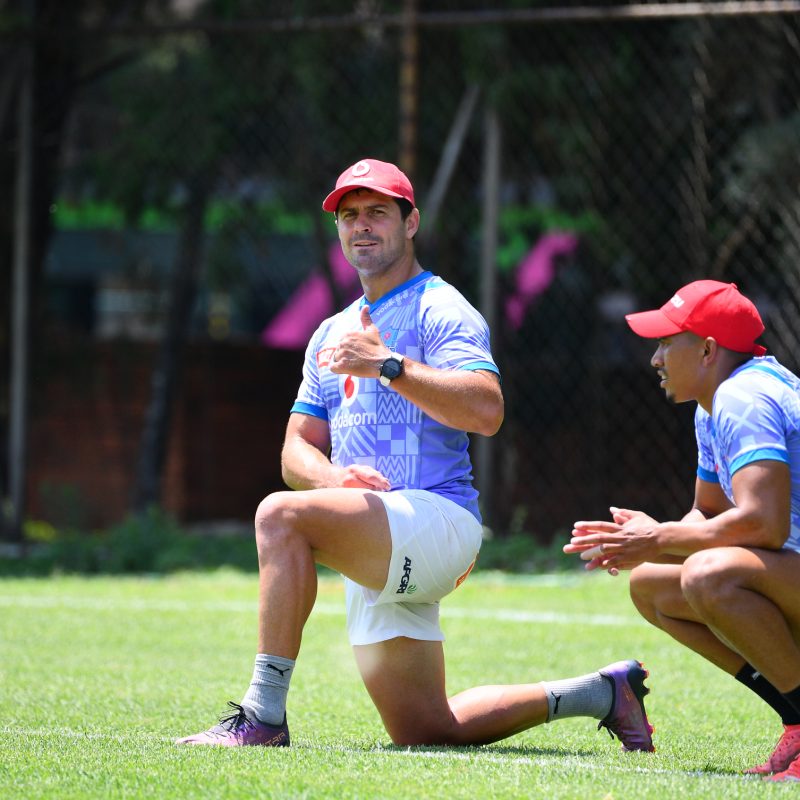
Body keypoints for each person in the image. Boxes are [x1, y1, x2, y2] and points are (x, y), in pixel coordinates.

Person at [176, 157, 654, 752]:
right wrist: (331, 479)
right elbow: (295, 449)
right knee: (425, 730)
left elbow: (487, 409)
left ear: (411, 223)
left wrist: (387, 365)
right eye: (349, 216)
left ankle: (262, 717)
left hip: (438, 520)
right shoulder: (329, 333)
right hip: (376, 534)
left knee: (278, 516)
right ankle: (600, 693)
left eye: (378, 212)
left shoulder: (440, 308)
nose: (362, 226)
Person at [565, 279, 800, 782]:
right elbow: (709, 512)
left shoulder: (743, 399)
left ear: (709, 350)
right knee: (650, 584)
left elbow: (765, 523)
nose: (655, 359)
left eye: (668, 342)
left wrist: (657, 540)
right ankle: (796, 720)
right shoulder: (714, 404)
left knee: (708, 576)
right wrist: (647, 539)